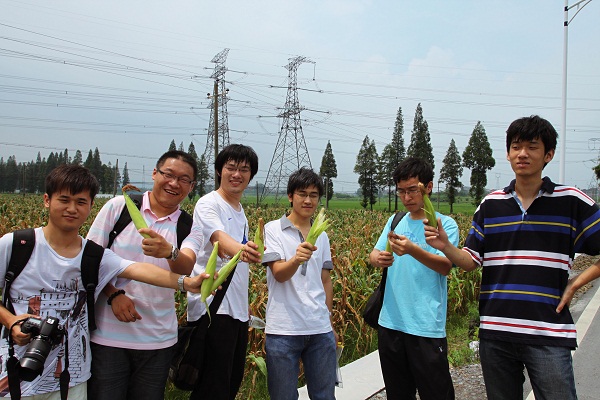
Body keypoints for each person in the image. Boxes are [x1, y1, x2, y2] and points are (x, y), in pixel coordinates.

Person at [424, 115, 600, 400]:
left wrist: (576, 282)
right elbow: (470, 261)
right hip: (496, 333)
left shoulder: (571, 201)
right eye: (516, 147)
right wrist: (444, 245)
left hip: (548, 333)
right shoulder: (491, 204)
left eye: (532, 147)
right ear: (507, 154)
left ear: (548, 154)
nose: (522, 154)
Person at [0, 164, 210, 399]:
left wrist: (187, 283)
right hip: (16, 374)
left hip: (73, 375)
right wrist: (10, 320)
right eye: (64, 200)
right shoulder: (17, 245)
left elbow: (137, 270)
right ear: (47, 200)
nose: (72, 209)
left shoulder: (92, 255)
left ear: (91, 206)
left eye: (81, 202)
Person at [86, 150, 198, 400]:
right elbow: (90, 260)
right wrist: (113, 294)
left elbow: (186, 267)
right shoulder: (119, 208)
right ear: (155, 173)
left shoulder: (188, 225)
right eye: (168, 174)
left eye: (184, 179)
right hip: (108, 338)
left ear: (191, 186)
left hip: (158, 340)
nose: (174, 183)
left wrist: (169, 252)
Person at [369, 157, 458, 400]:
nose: (407, 197)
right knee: (398, 394)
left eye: (412, 190)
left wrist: (412, 250)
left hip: (426, 326)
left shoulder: (444, 225)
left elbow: (445, 266)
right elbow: (374, 253)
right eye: (401, 191)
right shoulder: (395, 220)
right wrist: (378, 259)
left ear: (428, 187)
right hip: (390, 323)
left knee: (436, 394)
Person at [183, 144, 261, 400]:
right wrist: (245, 251)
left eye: (244, 169)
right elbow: (219, 240)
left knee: (229, 383)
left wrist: (245, 304)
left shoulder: (240, 212)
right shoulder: (209, 204)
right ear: (219, 171)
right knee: (211, 388)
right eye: (231, 168)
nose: (237, 174)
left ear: (251, 175)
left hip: (236, 311)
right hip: (212, 308)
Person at [262, 167, 337, 400]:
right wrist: (296, 259)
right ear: (290, 196)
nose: (308, 200)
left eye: (314, 195)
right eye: (302, 194)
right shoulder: (272, 229)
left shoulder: (321, 235)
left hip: (319, 329)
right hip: (283, 330)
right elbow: (279, 274)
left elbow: (325, 280)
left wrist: (329, 321)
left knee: (324, 396)